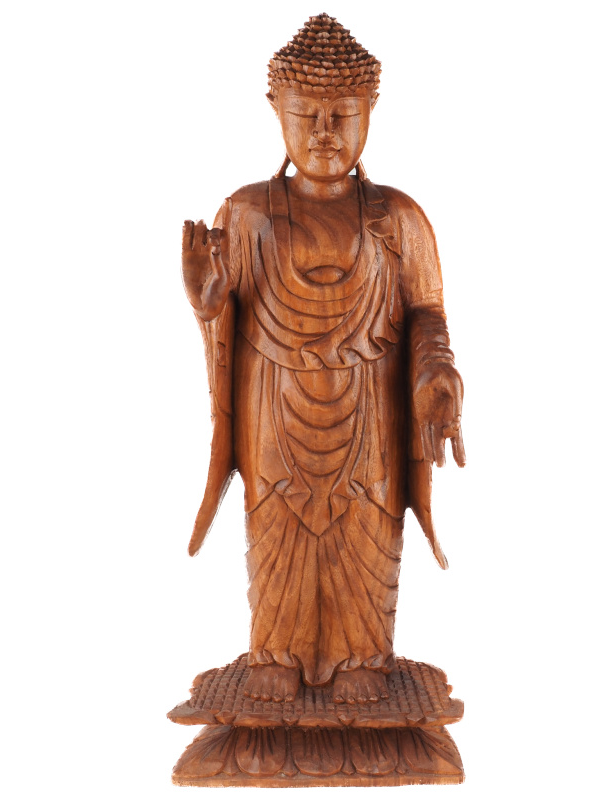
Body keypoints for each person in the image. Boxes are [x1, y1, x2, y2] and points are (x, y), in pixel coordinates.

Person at [181, 14, 465, 706]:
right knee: (276, 524)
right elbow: (224, 311)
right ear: (275, 109)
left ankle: (363, 656)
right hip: (273, 409)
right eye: (306, 114)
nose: (325, 132)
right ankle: (275, 653)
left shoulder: (399, 219)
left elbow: (427, 311)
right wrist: (208, 305)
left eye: (343, 114)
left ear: (372, 110)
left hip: (370, 412)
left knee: (365, 524)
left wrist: (437, 371)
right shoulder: (247, 213)